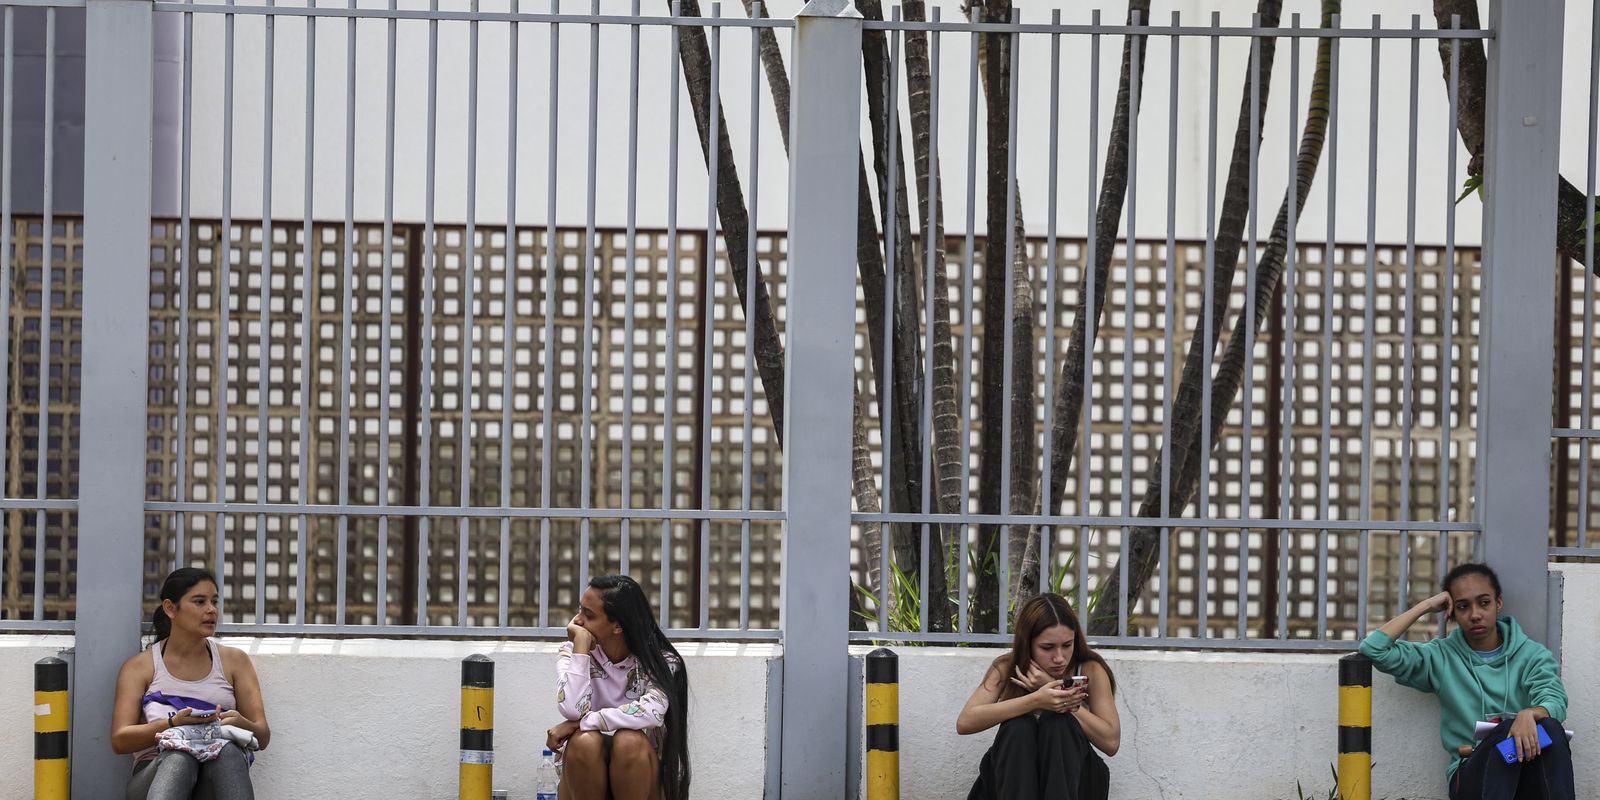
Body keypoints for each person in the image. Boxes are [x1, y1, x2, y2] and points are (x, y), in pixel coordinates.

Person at [1359, 562, 1572, 800]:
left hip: (1525, 774)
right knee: (1502, 733)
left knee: (1551, 728)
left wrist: (1529, 714)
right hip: (1470, 778)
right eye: (1463, 606)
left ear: (1498, 603)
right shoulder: (1440, 657)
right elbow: (1373, 649)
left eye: (1484, 603)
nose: (1475, 615)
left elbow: (1555, 700)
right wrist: (1425, 605)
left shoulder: (1531, 655)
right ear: (1451, 612)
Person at [111, 567, 271, 800]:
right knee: (179, 757)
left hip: (213, 776)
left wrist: (241, 722)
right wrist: (172, 724)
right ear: (170, 608)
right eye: (199, 602)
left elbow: (263, 736)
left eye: (214, 601)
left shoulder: (235, 661)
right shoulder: (140, 667)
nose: (211, 610)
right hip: (154, 776)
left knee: (228, 751)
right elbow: (120, 740)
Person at [956, 593, 1119, 800]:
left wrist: (1062, 698)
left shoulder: (1090, 669)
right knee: (1018, 727)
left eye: (1067, 645)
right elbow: (965, 722)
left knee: (1059, 723)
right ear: (1028, 644)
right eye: (1047, 647)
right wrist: (1035, 700)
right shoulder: (1007, 667)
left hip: (1074, 785)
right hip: (1015, 783)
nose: (1059, 658)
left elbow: (1111, 742)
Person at [545, 574, 690, 800]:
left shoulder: (663, 662)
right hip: (585, 784)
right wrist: (581, 648)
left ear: (618, 626)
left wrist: (579, 723)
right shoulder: (572, 653)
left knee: (629, 741)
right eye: (579, 610)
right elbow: (571, 708)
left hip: (642, 785)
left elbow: (650, 712)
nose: (577, 621)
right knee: (584, 742)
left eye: (588, 614)